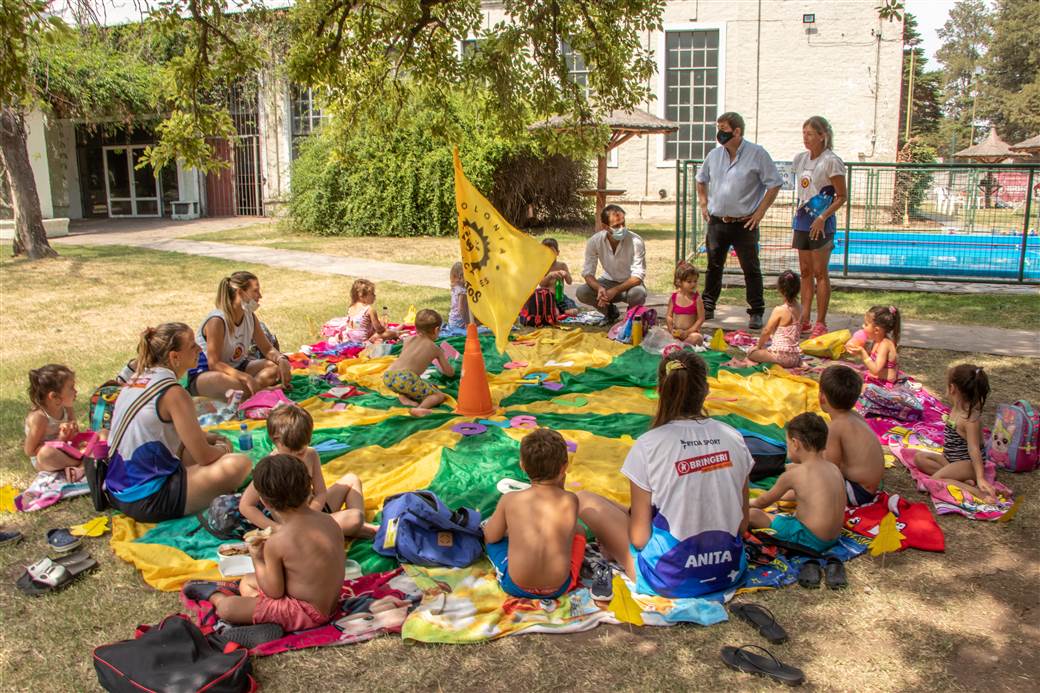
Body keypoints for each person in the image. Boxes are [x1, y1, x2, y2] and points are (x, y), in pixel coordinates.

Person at [576, 351, 752, 598]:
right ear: (706, 390)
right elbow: (742, 524)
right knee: (620, 507)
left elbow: (639, 539)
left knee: (585, 499)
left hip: (668, 577)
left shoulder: (649, 444)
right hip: (729, 569)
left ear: (661, 389)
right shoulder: (733, 437)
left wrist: (614, 538)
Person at [104, 323, 252, 523]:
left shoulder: (136, 380)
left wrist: (204, 439)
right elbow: (205, 457)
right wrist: (225, 449)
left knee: (197, 450)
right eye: (192, 346)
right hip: (148, 498)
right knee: (238, 464)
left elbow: (155, 431)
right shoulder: (173, 392)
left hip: (118, 489)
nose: (199, 349)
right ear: (175, 357)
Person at [202, 454, 345, 633]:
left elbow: (274, 592)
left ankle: (214, 595)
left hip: (306, 612)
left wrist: (257, 557)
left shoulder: (278, 541)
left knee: (227, 608)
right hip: (330, 604)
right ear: (309, 489)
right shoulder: (329, 521)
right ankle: (267, 618)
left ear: (264, 501)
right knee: (246, 581)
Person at [695, 112, 782, 330]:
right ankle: (708, 306)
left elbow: (774, 183)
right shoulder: (714, 156)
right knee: (714, 265)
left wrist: (759, 212)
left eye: (723, 128)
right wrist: (704, 204)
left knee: (750, 268)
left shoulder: (757, 154)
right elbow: (701, 179)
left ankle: (756, 311)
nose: (719, 132)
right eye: (718, 127)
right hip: (717, 222)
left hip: (745, 223)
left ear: (737, 131)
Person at [239, 404, 377, 538]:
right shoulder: (271, 467)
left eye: (302, 450)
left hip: (316, 512)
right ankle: (357, 528)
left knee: (352, 479)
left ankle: (359, 528)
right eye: (294, 453)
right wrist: (277, 529)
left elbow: (320, 492)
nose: (299, 456)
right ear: (277, 441)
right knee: (354, 518)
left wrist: (313, 512)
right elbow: (245, 506)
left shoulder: (311, 454)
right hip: (294, 524)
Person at [482, 428, 584, 599]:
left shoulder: (510, 499)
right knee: (579, 533)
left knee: (491, 539)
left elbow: (491, 537)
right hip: (559, 587)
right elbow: (565, 530)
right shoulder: (570, 500)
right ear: (564, 467)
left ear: (522, 466)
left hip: (515, 586)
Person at [749, 413, 846, 553]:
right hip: (833, 538)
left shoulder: (794, 475)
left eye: (787, 444)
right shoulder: (833, 468)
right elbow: (810, 494)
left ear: (795, 444)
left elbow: (762, 502)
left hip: (810, 540)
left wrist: (749, 502)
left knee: (753, 514)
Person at [188, 271, 291, 400]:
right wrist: (246, 377)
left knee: (274, 369)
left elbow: (267, 349)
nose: (260, 296)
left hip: (237, 368)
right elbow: (214, 364)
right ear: (240, 293)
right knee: (224, 381)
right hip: (208, 373)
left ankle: (251, 391)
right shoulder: (217, 321)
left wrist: (282, 360)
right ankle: (258, 391)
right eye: (255, 291)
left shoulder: (250, 317)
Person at [792, 116, 847, 338]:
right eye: (804, 133)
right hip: (802, 220)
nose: (806, 138)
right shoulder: (800, 159)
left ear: (822, 135)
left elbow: (841, 196)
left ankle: (820, 321)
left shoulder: (831, 161)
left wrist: (823, 216)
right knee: (805, 272)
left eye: (810, 134)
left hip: (821, 222)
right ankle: (804, 317)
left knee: (819, 272)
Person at [913, 365, 996, 503]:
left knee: (935, 480)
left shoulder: (970, 418)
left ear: (952, 388)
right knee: (919, 458)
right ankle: (960, 480)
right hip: (950, 460)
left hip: (967, 464)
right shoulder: (956, 409)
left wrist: (980, 477)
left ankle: (977, 492)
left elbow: (974, 449)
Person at [819, 365, 884, 506]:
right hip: (868, 486)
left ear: (822, 397)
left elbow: (830, 469)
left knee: (808, 476)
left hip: (857, 492)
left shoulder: (836, 427)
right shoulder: (854, 416)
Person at [576, 205, 647, 322]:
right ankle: (610, 312)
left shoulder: (636, 241)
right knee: (582, 292)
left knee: (638, 293)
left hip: (630, 284)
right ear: (605, 226)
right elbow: (587, 273)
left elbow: (638, 277)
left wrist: (614, 291)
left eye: (623, 223)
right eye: (616, 226)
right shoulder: (594, 241)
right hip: (608, 281)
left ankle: (632, 317)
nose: (622, 228)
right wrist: (599, 288)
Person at [382, 309, 455, 416]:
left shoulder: (408, 339)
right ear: (436, 330)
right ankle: (420, 408)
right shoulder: (435, 349)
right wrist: (453, 367)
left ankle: (403, 397)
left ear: (416, 327)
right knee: (438, 396)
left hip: (388, 376)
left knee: (414, 383)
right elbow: (449, 373)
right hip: (405, 378)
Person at [24, 364, 82, 482]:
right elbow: (29, 451)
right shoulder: (40, 418)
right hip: (45, 458)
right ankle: (80, 463)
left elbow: (75, 432)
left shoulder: (66, 407)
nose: (76, 391)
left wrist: (71, 430)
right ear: (54, 397)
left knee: (99, 435)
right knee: (46, 454)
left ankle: (78, 464)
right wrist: (60, 440)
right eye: (71, 387)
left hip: (66, 448)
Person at [733, 270, 802, 368]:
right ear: (798, 289)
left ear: (780, 289)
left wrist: (758, 346)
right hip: (795, 357)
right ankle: (799, 362)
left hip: (781, 357)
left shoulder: (780, 310)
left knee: (751, 353)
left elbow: (766, 331)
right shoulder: (800, 307)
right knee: (766, 349)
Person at [846, 305, 900, 387]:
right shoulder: (877, 341)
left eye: (866, 324)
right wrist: (858, 351)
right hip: (876, 379)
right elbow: (871, 359)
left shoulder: (884, 345)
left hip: (884, 384)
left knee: (852, 389)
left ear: (876, 330)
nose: (863, 326)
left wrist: (863, 353)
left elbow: (876, 370)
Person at [343, 278, 396, 343]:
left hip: (350, 338)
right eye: (372, 294)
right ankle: (397, 334)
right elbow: (379, 330)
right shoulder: (370, 309)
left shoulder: (351, 307)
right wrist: (383, 327)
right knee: (389, 333)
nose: (374, 296)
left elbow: (357, 325)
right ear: (361, 295)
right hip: (363, 340)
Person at [665, 262, 705, 346]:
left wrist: (688, 332)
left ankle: (679, 346)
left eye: (695, 281)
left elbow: (701, 319)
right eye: (689, 281)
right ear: (679, 282)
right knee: (660, 334)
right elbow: (669, 316)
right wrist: (670, 329)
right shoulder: (674, 297)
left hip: (690, 334)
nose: (693, 284)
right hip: (676, 333)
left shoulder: (697, 299)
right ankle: (679, 345)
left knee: (697, 338)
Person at [538, 238, 579, 316]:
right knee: (554, 313)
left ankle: (563, 310)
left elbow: (569, 282)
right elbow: (541, 284)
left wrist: (566, 274)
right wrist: (549, 275)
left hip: (560, 296)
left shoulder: (562, 265)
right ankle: (557, 310)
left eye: (552, 251)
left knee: (574, 312)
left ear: (558, 252)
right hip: (547, 297)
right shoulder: (542, 267)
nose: (549, 254)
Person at [447, 262, 471, 331]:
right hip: (458, 322)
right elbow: (461, 309)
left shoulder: (456, 287)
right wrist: (467, 322)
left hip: (452, 320)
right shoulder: (462, 291)